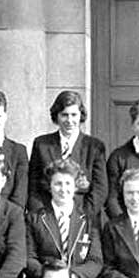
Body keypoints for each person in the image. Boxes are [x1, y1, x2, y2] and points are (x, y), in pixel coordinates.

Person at [25, 158, 102, 278]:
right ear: (49, 187)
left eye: (68, 184)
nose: (63, 189)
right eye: (57, 184)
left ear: (75, 187)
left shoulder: (88, 219)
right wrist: (51, 276)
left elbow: (95, 260)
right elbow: (29, 257)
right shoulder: (35, 218)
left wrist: (72, 276)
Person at [27, 90, 108, 218]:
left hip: (84, 217)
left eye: (74, 115)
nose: (69, 120)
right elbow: (33, 186)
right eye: (64, 115)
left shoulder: (94, 147)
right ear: (56, 116)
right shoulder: (41, 144)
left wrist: (82, 216)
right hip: (47, 216)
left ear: (80, 116)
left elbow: (100, 189)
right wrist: (41, 216)